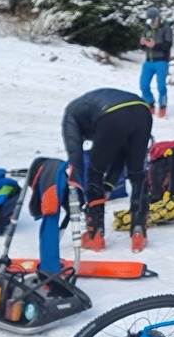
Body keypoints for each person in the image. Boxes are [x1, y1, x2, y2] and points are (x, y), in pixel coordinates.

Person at [61, 88, 153, 253]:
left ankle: (95, 236)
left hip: (112, 113)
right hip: (142, 110)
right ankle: (139, 233)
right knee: (137, 172)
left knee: (94, 172)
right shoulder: (91, 112)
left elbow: (75, 156)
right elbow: (121, 153)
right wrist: (108, 186)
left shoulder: (70, 116)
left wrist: (78, 189)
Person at [139, 6, 172, 118]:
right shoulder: (147, 28)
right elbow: (142, 45)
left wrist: (155, 46)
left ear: (158, 18)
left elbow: (168, 45)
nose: (152, 23)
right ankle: (149, 103)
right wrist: (142, 43)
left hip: (161, 61)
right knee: (143, 85)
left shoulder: (166, 28)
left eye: (154, 20)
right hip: (149, 61)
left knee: (161, 86)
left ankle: (162, 106)